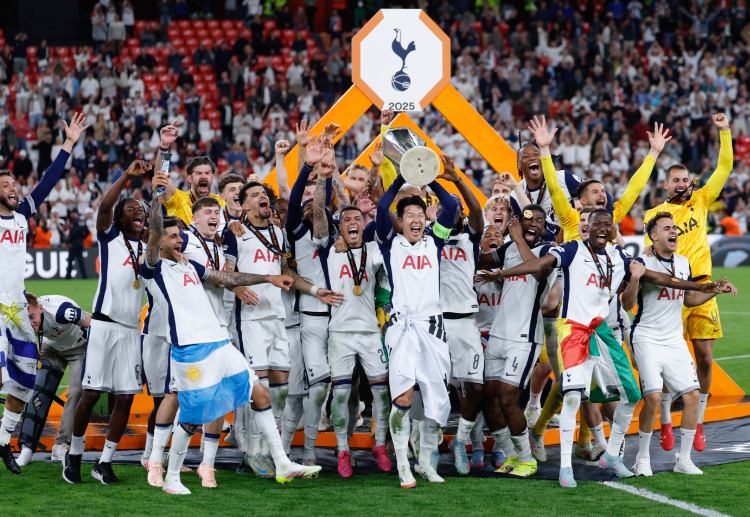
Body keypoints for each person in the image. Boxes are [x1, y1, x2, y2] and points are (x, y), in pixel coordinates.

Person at [484, 209, 731, 488]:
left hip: (602, 332)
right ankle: (565, 467)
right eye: (596, 224)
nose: (602, 228)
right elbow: (539, 265)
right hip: (573, 330)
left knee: (632, 394)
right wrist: (502, 273)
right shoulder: (572, 249)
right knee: (573, 396)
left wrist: (704, 286)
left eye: (607, 225)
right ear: (588, 229)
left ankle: (611, 454)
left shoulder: (619, 257)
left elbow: (658, 278)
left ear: (612, 231)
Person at [139, 196, 321, 495]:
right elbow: (155, 233)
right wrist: (158, 199)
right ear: (157, 241)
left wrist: (267, 277)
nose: (179, 241)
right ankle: (171, 477)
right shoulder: (153, 269)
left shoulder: (190, 266)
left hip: (219, 343)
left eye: (180, 236)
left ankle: (282, 462)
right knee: (191, 418)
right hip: (191, 350)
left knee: (260, 394)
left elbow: (227, 278)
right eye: (172, 237)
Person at [229, 171, 342, 476]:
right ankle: (253, 451)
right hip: (251, 318)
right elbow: (226, 272)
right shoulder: (235, 233)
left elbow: (286, 273)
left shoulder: (278, 234)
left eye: (263, 194)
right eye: (254, 195)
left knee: (279, 390)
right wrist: (238, 287)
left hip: (277, 317)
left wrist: (316, 291)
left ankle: (268, 448)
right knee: (260, 388)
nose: (261, 198)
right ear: (243, 206)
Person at [0, 112, 87, 475]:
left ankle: (3, 441)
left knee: (23, 384)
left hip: (18, 309)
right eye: (6, 185)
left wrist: (68, 144)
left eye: (14, 184)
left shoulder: (22, 214)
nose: (13, 188)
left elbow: (48, 181)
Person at [643, 113, 733, 452]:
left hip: (704, 286)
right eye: (675, 180)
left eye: (685, 179)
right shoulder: (654, 216)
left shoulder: (701, 200)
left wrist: (724, 131)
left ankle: (699, 422)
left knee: (705, 357)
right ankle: (667, 420)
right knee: (670, 357)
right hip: (672, 288)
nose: (681, 184)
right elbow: (652, 254)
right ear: (666, 186)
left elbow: (724, 167)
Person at [63, 159, 152, 485]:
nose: (138, 211)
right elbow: (104, 206)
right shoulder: (109, 236)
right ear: (120, 218)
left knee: (125, 397)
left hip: (130, 330)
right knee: (91, 394)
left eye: (141, 209)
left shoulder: (150, 247)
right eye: (131, 209)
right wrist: (127, 175)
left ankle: (105, 462)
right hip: (103, 325)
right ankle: (74, 454)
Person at [631, 212, 737, 477]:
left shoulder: (683, 262)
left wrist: (714, 291)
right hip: (646, 337)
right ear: (653, 235)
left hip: (674, 339)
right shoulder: (642, 262)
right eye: (667, 228)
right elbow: (628, 301)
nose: (673, 232)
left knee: (692, 397)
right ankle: (642, 458)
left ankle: (684, 460)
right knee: (652, 397)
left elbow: (687, 299)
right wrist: (634, 279)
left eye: (674, 228)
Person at [376, 169, 459, 488]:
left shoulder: (434, 241)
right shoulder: (389, 244)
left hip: (433, 327)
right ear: (400, 221)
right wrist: (401, 177)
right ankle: (402, 464)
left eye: (420, 215)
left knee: (437, 399)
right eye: (409, 215)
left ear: (426, 219)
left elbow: (451, 206)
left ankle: (424, 462)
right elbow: (382, 207)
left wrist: (429, 178)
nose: (415, 219)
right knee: (403, 397)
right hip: (402, 327)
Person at [311, 165, 392, 477]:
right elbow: (319, 212)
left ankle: (380, 445)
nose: (353, 223)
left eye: (357, 218)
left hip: (370, 332)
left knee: (381, 393)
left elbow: (384, 219)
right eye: (346, 220)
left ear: (364, 222)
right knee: (342, 394)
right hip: (340, 333)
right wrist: (324, 175)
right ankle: (343, 449)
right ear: (339, 227)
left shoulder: (374, 251)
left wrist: (377, 172)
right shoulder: (330, 250)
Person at [479, 206, 556, 478]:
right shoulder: (509, 247)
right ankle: (510, 453)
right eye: (528, 219)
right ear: (518, 222)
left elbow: (536, 271)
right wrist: (483, 240)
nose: (534, 223)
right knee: (488, 398)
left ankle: (526, 458)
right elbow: (482, 259)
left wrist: (517, 237)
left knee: (507, 397)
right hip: (498, 333)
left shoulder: (549, 251)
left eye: (540, 221)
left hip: (524, 338)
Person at [530, 114, 671, 242]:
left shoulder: (611, 216)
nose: (602, 194)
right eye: (595, 192)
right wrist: (544, 148)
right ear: (583, 200)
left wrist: (653, 153)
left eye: (603, 191)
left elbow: (634, 189)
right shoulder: (570, 218)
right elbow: (554, 189)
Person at [434, 156, 485, 476]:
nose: (453, 213)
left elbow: (477, 210)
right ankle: (427, 444)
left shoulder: (471, 239)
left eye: (457, 210)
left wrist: (456, 180)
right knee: (432, 390)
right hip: (437, 324)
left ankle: (461, 441)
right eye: (447, 209)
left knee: (476, 388)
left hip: (466, 322)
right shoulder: (429, 240)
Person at [16, 294, 90, 466]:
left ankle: (62, 444)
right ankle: (27, 448)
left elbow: (92, 323)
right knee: (38, 389)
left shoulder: (62, 311)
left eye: (32, 317)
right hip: (51, 347)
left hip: (79, 347)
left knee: (76, 392)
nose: (30, 323)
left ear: (40, 308)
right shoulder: (22, 319)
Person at [157, 122, 224, 225]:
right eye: (199, 173)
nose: (204, 176)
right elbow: (161, 176)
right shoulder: (179, 199)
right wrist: (164, 147)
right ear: (189, 178)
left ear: (212, 177)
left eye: (207, 173)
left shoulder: (220, 202)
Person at [64, 209, 90, 279]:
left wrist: (68, 241)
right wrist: (82, 238)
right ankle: (84, 276)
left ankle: (68, 276)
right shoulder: (82, 222)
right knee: (80, 261)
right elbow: (87, 232)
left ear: (76, 214)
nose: (72, 215)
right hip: (80, 243)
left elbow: (72, 234)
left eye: (73, 213)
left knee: (70, 260)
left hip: (73, 244)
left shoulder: (74, 223)